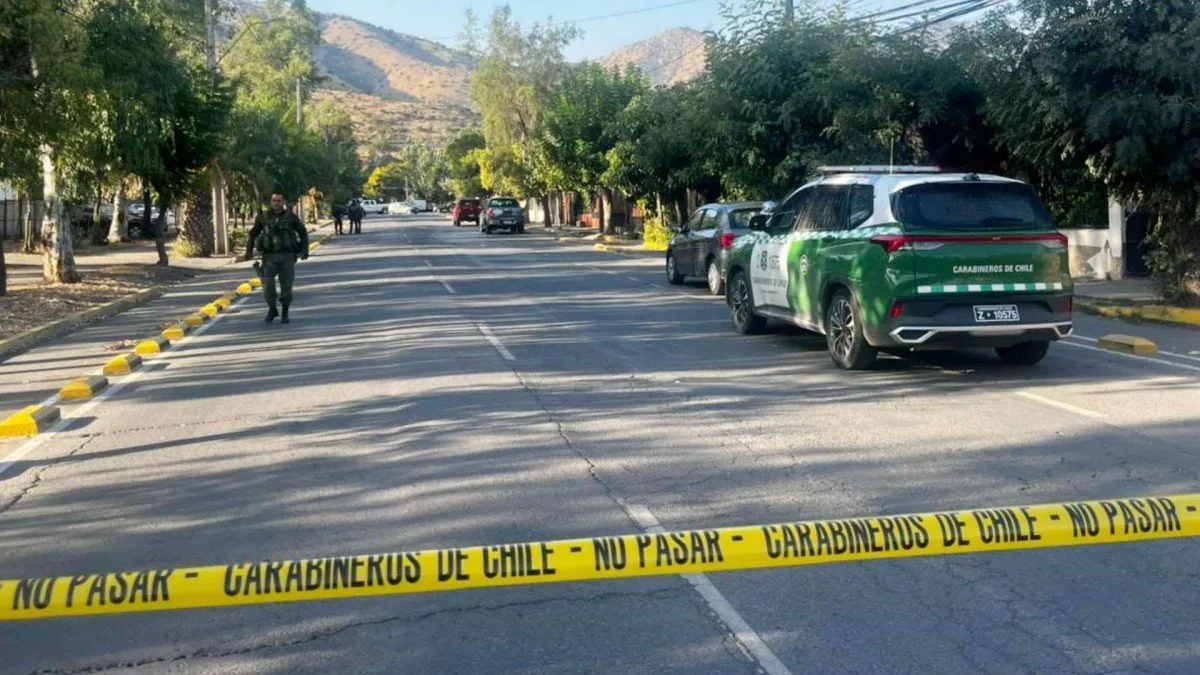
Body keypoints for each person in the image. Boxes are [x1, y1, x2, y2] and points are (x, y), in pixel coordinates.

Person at [244, 193, 309, 324]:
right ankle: (272, 309)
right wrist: (248, 251)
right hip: (269, 257)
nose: (276, 203)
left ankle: (285, 312)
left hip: (287, 257)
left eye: (279, 201)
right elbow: (253, 234)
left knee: (286, 287)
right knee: (267, 286)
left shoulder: (291, 217)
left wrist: (304, 251)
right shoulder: (263, 217)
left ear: (283, 202)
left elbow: (303, 233)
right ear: (271, 202)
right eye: (274, 201)